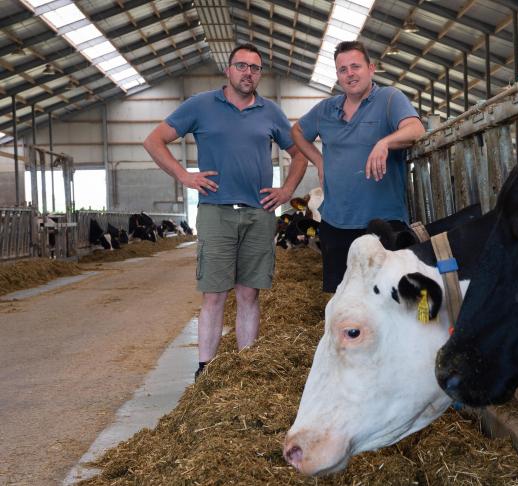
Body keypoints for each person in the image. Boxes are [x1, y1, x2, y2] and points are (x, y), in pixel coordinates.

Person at [143, 43, 307, 379]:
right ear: (228, 70)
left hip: (259, 213)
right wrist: (182, 175)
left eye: (255, 68)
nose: (249, 73)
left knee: (249, 294)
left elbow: (300, 153)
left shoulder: (270, 112)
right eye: (242, 66)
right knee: (214, 294)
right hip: (216, 212)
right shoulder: (201, 105)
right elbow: (154, 140)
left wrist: (288, 190)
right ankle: (206, 370)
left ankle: (245, 368)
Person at [290, 41, 425, 292]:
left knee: (388, 295)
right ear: (338, 75)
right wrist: (319, 161)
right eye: (343, 69)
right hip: (336, 222)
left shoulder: (389, 98)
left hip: (383, 224)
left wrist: (385, 142)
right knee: (344, 297)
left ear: (371, 68)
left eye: (355, 66)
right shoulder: (325, 109)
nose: (350, 74)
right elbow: (297, 131)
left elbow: (416, 129)